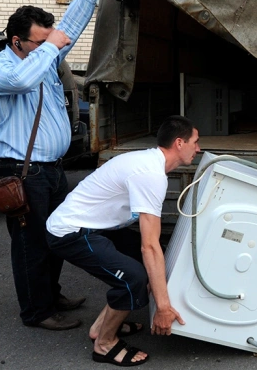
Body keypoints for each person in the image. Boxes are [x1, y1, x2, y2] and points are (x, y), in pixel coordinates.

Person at [0, 0, 107, 330]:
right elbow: (22, 80)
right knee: (30, 245)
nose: (49, 46)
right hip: (21, 172)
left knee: (56, 236)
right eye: (40, 42)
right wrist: (52, 48)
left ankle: (51, 295)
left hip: (49, 170)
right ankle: (37, 311)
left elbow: (70, 28)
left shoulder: (41, 55)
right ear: (16, 41)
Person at [46, 116, 197, 366]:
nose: (198, 148)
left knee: (142, 266)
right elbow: (150, 245)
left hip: (95, 225)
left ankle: (100, 327)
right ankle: (104, 344)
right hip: (70, 232)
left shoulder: (150, 162)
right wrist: (163, 307)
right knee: (133, 277)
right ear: (179, 143)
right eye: (196, 142)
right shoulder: (151, 174)